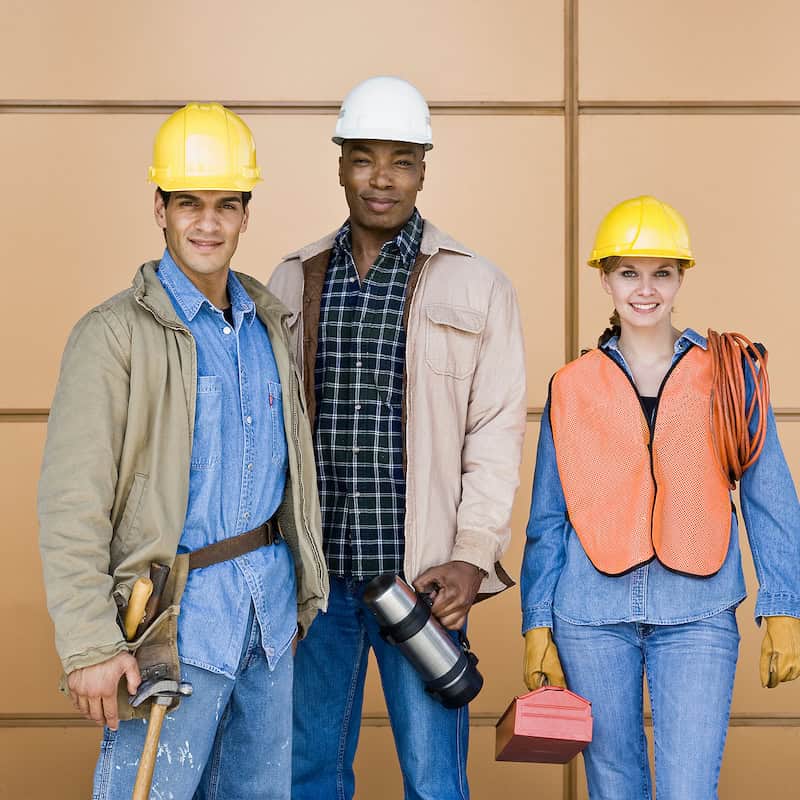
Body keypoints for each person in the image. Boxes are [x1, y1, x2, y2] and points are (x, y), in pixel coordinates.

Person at [37, 102, 326, 800]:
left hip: (265, 622)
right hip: (168, 629)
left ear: (246, 215)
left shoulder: (266, 328)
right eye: (189, 203)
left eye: (227, 205)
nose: (208, 222)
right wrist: (91, 646)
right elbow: (72, 500)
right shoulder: (111, 337)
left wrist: (298, 598)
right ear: (159, 209)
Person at [268, 75, 526, 800]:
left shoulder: (479, 287)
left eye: (401, 160)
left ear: (423, 169)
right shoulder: (292, 280)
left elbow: (495, 434)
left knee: (435, 781)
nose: (381, 179)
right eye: (363, 158)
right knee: (309, 771)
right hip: (315, 585)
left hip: (423, 582)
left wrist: (472, 558)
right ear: (340, 164)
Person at [520, 195, 800, 799]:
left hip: (699, 611)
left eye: (662, 274)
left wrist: (784, 607)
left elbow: (770, 498)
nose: (645, 290)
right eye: (628, 273)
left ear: (681, 277)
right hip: (590, 615)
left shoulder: (732, 373)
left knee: (688, 790)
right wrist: (536, 623)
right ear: (605, 278)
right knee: (614, 786)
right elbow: (549, 517)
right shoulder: (570, 386)